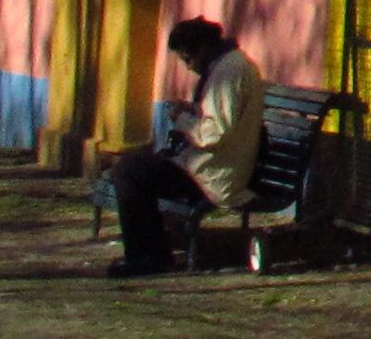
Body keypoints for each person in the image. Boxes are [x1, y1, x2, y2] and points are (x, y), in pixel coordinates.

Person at [104, 16, 261, 278]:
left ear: (202, 48)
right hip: (204, 165)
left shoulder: (228, 72)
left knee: (130, 171)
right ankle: (149, 252)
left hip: (212, 174)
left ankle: (147, 256)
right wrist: (194, 111)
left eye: (188, 59)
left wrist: (183, 119)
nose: (189, 67)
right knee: (135, 166)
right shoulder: (227, 66)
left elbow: (215, 133)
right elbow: (220, 118)